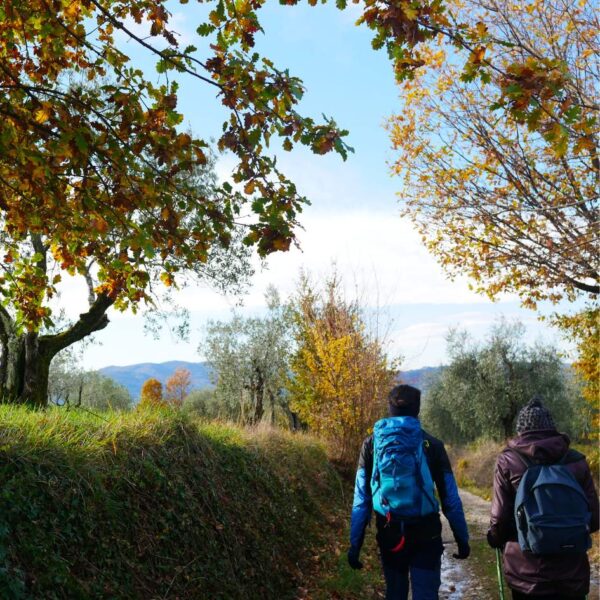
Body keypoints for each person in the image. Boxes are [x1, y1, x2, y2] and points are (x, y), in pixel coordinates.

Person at [347, 384, 470, 600]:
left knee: (395, 593)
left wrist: (355, 543)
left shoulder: (371, 445)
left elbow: (361, 499)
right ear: (418, 409)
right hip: (426, 533)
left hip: (389, 532)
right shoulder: (432, 445)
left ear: (389, 408)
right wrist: (462, 538)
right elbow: (450, 498)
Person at [487, 397, 600, 600]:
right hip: (571, 572)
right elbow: (594, 520)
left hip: (526, 574)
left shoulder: (508, 461)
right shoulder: (577, 461)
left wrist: (495, 537)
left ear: (521, 430)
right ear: (551, 428)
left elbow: (500, 520)